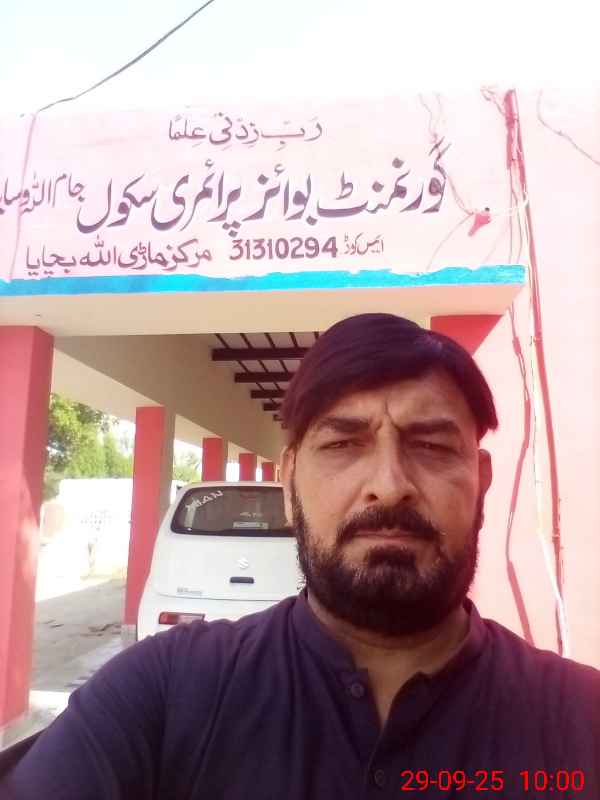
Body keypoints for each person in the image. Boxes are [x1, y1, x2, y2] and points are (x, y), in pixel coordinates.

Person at [2, 313, 599, 799]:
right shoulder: (159, 695)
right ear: (288, 484)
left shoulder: (581, 721)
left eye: (432, 446)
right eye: (343, 444)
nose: (389, 485)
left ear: (482, 481)